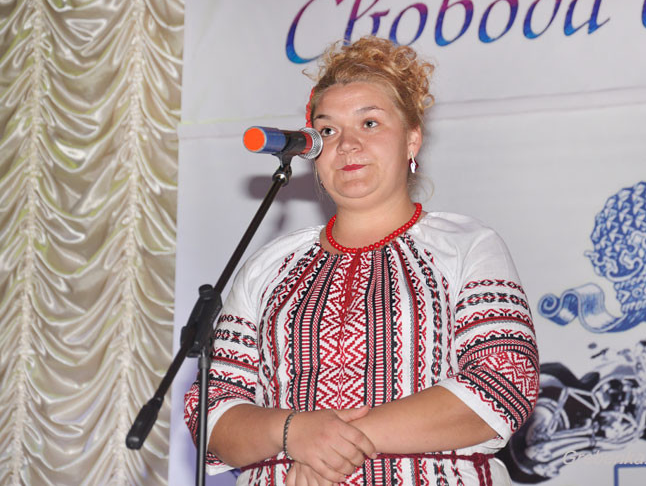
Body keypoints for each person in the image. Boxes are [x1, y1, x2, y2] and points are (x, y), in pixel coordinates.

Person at [185, 35, 539, 486]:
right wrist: (292, 432)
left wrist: (330, 443)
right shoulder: (268, 266)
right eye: (328, 131)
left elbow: (502, 384)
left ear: (412, 140)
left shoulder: (466, 246)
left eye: (369, 123)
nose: (347, 145)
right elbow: (211, 414)